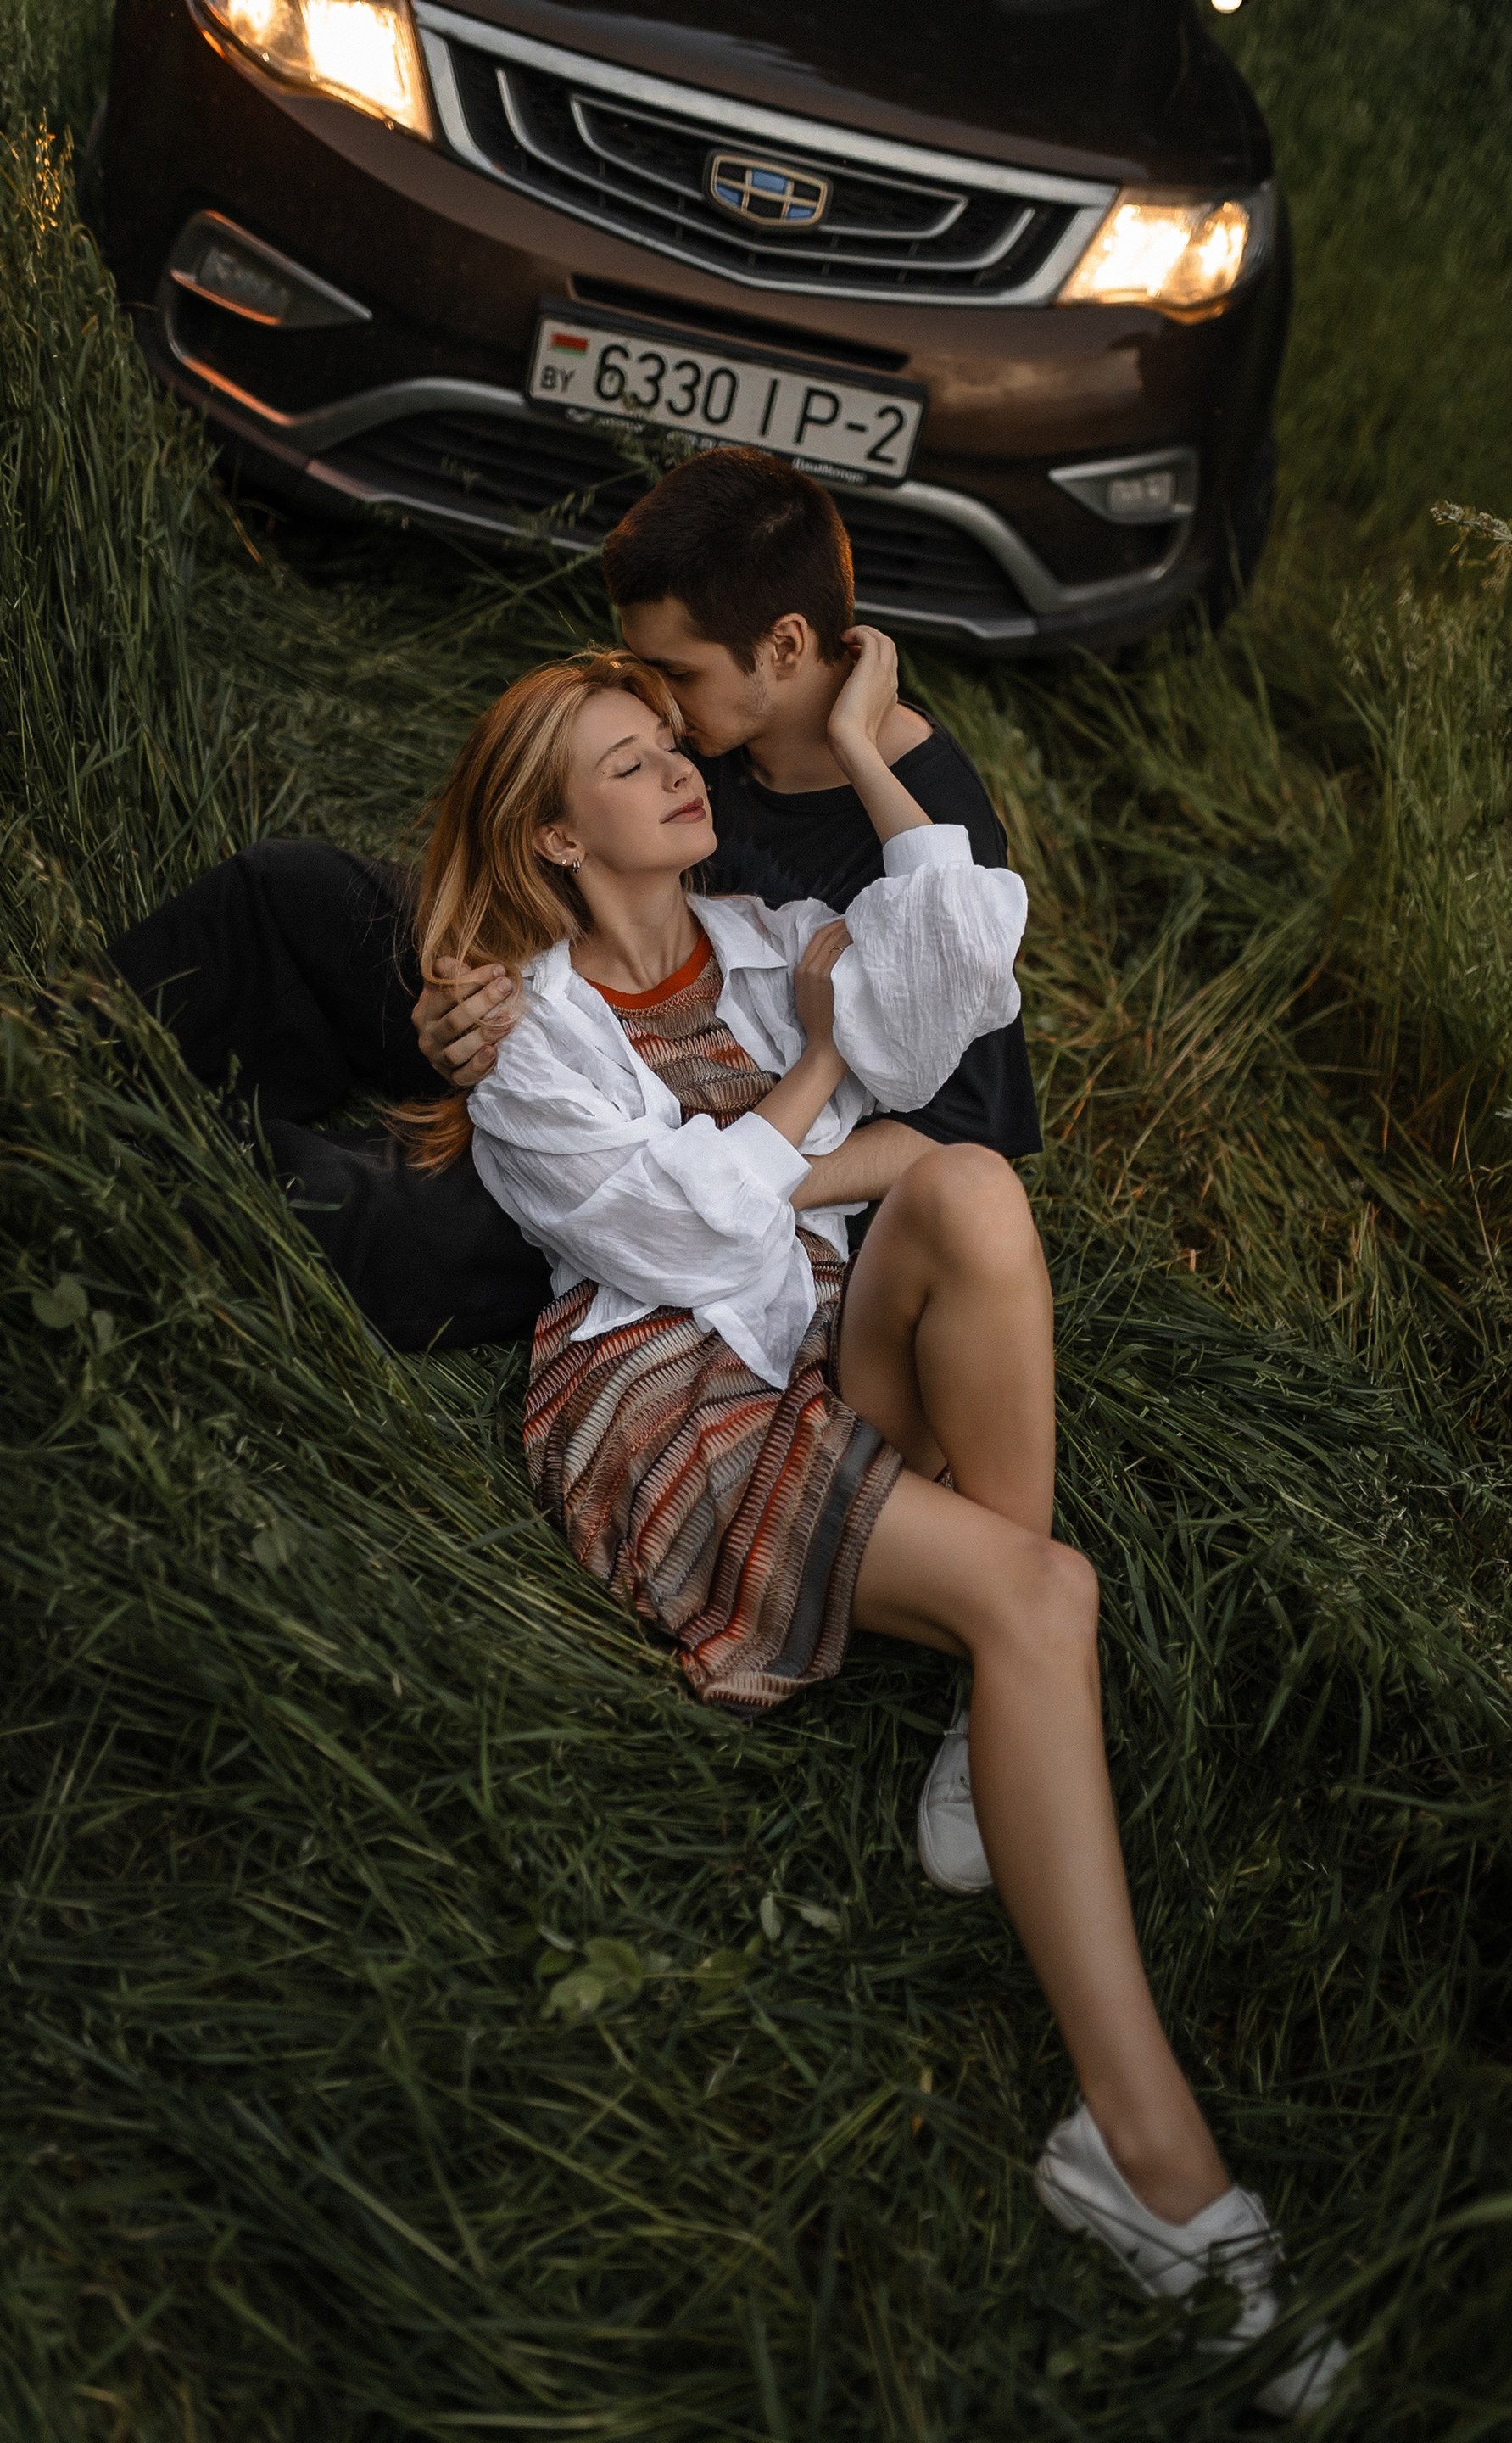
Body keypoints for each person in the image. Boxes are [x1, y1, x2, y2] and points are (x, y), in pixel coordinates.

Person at [399, 638, 1346, 2421]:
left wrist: (867, 752)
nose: (679, 772)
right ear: (551, 840)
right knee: (1045, 1585)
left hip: (819, 1332)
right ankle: (1148, 2158)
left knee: (972, 1180)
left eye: (671, 742)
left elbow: (958, 990)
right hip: (665, 1396)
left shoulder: (771, 936)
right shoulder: (524, 1030)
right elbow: (681, 1240)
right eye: (628, 763)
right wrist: (834, 1097)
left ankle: (999, 1698)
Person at [107, 448, 1036, 1352]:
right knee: (288, 894)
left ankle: (122, 1188)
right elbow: (579, 865)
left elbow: (958, 1140)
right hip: (574, 1000)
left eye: (679, 674)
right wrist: (458, 1003)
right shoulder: (702, 728)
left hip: (704, 1131)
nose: (665, 712)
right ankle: (74, 1062)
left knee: (383, 1211)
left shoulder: (930, 832)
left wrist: (720, 1179)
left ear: (784, 646)